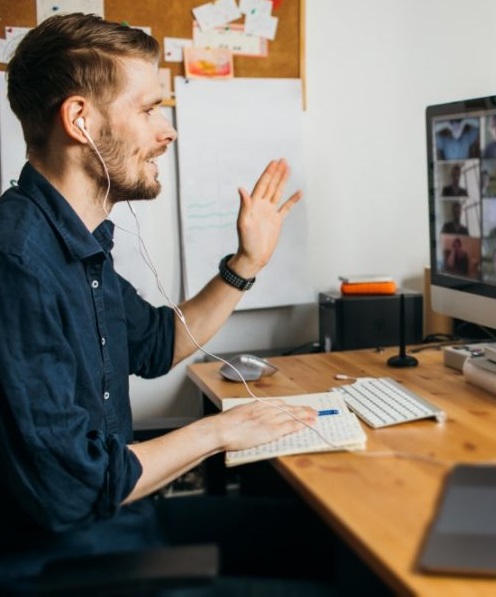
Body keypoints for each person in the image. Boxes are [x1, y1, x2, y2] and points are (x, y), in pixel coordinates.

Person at [0, 12, 376, 597]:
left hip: (118, 526)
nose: (167, 130)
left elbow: (156, 344)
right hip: (60, 566)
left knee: (344, 546)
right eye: (149, 109)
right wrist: (221, 433)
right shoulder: (18, 260)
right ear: (79, 120)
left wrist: (245, 263)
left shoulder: (73, 241)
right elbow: (70, 489)